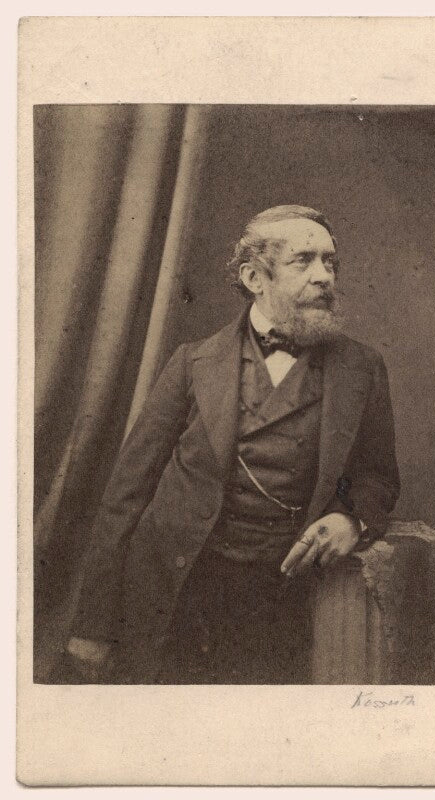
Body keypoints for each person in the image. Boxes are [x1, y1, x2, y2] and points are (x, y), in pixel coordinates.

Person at [65, 204, 400, 684]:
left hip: (283, 598)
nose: (324, 276)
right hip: (179, 591)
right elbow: (125, 496)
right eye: (303, 261)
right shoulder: (192, 362)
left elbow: (378, 477)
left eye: (330, 262)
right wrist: (93, 624)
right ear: (253, 277)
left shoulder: (362, 368)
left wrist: (351, 519)